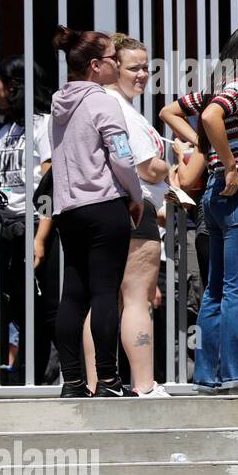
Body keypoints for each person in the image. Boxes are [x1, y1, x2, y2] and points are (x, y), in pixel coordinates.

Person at [168, 26, 238, 394]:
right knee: (236, 289)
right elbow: (212, 117)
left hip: (213, 193)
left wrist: (206, 146)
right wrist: (229, 162)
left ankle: (208, 377)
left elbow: (170, 111)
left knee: (215, 289)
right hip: (236, 188)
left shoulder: (219, 85)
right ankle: (234, 375)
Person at [48, 26, 144, 398]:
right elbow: (121, 155)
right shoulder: (103, 101)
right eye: (111, 60)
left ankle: (72, 381)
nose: (116, 65)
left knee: (73, 294)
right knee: (105, 293)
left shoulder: (60, 104)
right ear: (94, 66)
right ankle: (108, 380)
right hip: (104, 205)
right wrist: (135, 195)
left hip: (68, 210)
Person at [82, 36, 170, 397]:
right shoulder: (120, 110)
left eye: (146, 67)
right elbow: (147, 168)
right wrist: (173, 161)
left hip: (99, 210)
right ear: (113, 67)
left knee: (102, 299)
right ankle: (144, 386)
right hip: (135, 207)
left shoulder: (95, 105)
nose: (143, 75)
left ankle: (94, 384)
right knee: (136, 300)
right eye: (134, 67)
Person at [0, 56, 56, 386]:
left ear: (15, 85)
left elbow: (50, 182)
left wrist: (41, 235)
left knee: (44, 305)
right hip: (6, 226)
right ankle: (25, 373)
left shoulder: (43, 124)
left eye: (2, 82)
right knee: (18, 306)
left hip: (34, 224)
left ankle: (45, 374)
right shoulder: (6, 129)